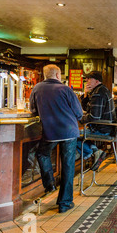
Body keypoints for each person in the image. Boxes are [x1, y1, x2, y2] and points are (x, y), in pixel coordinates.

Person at [29, 64, 83, 213]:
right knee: (68, 165)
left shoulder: (37, 88)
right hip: (69, 131)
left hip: (50, 131)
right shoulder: (66, 89)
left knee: (42, 154)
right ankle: (64, 203)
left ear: (45, 75)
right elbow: (79, 113)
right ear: (58, 75)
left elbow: (32, 111)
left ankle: (50, 184)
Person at [77, 71, 115, 171]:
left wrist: (79, 118)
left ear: (97, 81)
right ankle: (95, 151)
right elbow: (87, 109)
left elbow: (94, 117)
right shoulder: (102, 90)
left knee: (72, 134)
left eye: (89, 79)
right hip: (106, 127)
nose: (86, 81)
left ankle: (93, 152)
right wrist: (85, 94)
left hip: (102, 129)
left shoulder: (98, 94)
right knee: (77, 134)